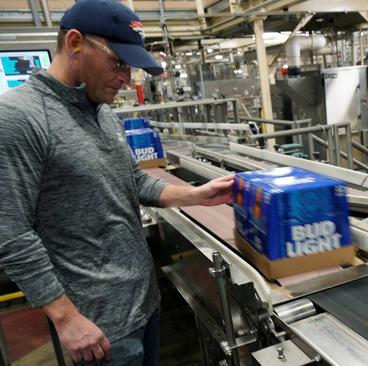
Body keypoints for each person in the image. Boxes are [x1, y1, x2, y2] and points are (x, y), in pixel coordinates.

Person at [0, 0, 234, 364]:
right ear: (76, 43)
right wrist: (66, 318)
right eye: (119, 62)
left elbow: (134, 182)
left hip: (145, 304)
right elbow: (11, 233)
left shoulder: (104, 114)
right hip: (96, 328)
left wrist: (197, 195)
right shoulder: (20, 117)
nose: (127, 79)